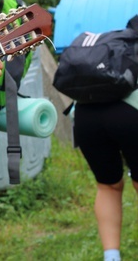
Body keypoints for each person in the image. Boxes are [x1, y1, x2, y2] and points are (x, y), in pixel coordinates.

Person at [73, 21, 138, 261]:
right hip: (130, 112)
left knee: (108, 185)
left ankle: (112, 256)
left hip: (86, 115)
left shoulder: (115, 45)